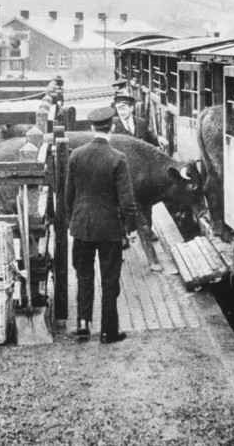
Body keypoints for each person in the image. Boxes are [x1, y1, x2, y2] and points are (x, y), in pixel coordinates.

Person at [66, 106, 138, 344]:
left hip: (82, 227)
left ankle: (83, 324)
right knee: (109, 281)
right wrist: (131, 228)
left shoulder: (76, 155)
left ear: (91, 128)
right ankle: (108, 331)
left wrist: (73, 221)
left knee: (84, 276)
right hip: (109, 229)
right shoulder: (118, 158)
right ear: (112, 127)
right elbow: (127, 201)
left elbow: (68, 195)